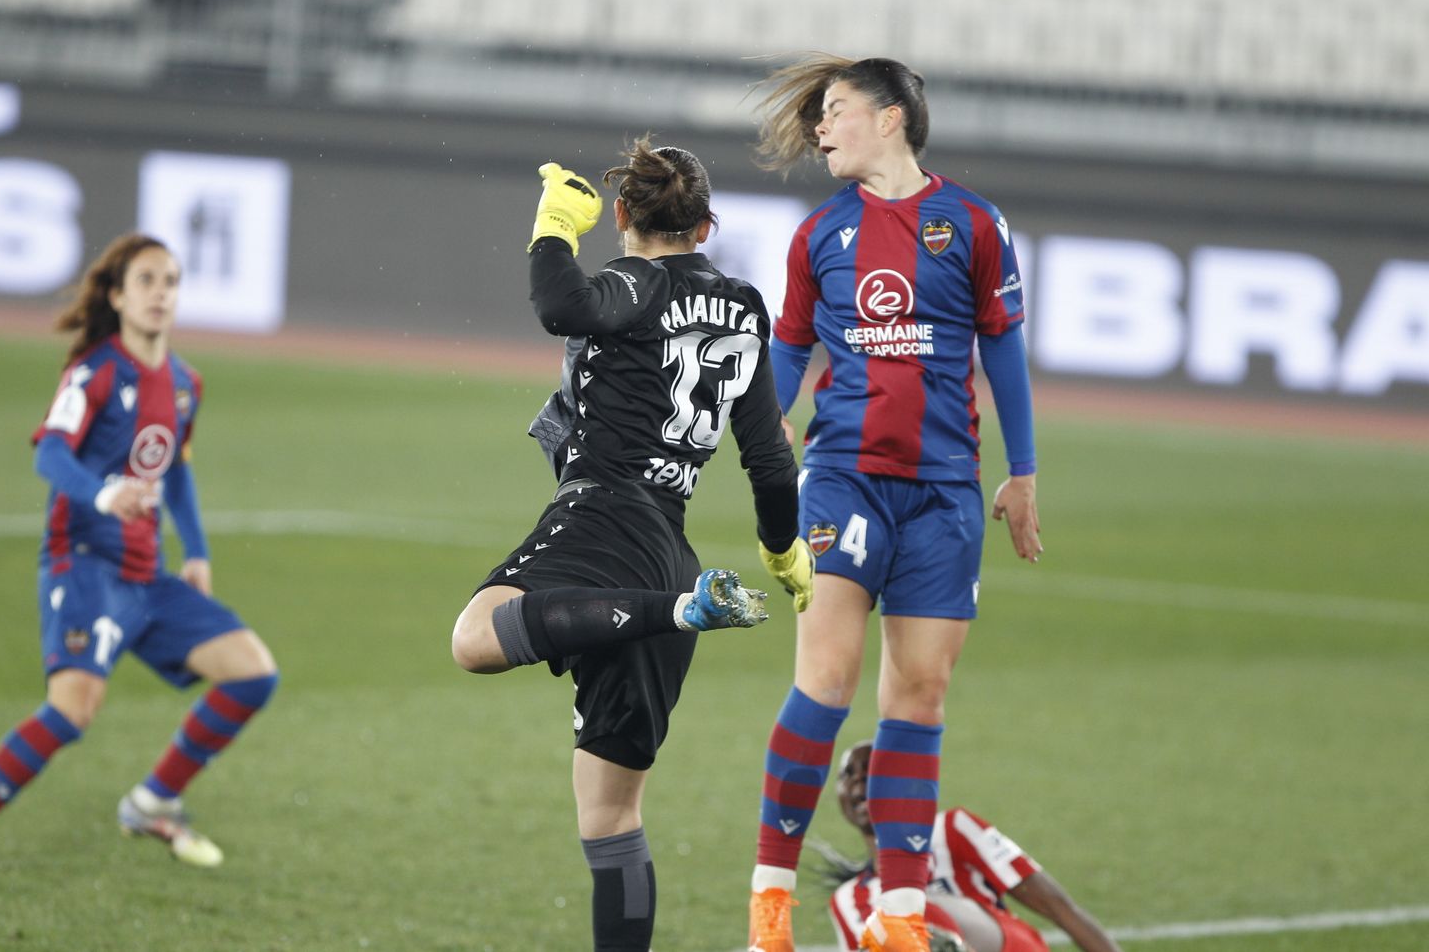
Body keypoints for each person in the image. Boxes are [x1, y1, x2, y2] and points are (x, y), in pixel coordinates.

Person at [449, 141, 815, 952]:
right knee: (613, 817)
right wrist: (785, 552)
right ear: (708, 225)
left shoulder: (634, 283)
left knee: (475, 639)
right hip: (667, 539)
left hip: (602, 518)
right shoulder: (747, 307)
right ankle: (679, 605)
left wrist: (552, 227)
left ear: (620, 216)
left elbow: (563, 306)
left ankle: (681, 611)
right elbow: (767, 456)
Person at [743, 54, 1042, 952]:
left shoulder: (975, 223)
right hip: (842, 477)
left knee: (918, 696)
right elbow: (789, 350)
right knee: (826, 680)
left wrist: (1022, 472)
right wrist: (771, 425)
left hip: (946, 493)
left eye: (834, 111)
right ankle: (769, 910)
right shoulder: (818, 237)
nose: (819, 129)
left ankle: (902, 922)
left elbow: (1005, 354)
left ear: (891, 119)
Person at [0, 232, 278, 875]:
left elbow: (176, 470)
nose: (160, 294)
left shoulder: (184, 382)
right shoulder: (95, 371)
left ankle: (153, 802)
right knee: (74, 708)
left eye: (169, 281)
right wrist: (104, 492)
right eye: (145, 281)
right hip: (82, 562)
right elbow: (50, 452)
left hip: (147, 574)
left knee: (252, 671)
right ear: (116, 295)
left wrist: (195, 550)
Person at [824, 741, 1124, 952]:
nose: (860, 780)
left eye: (872, 768)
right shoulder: (848, 899)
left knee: (905, 909)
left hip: (1011, 946)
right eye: (848, 774)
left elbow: (1059, 908)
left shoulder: (953, 828)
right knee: (889, 921)